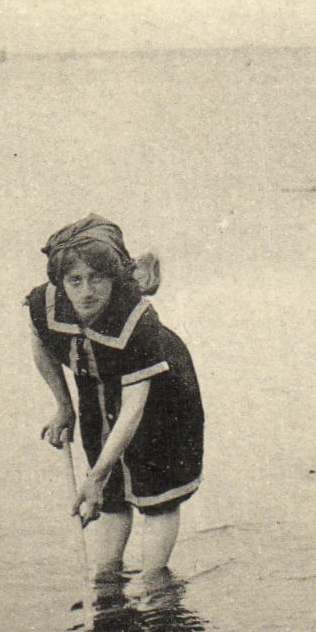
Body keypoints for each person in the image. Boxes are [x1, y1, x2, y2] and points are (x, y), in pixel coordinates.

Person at [27, 215, 203, 578]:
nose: (86, 291)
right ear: (61, 283)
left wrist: (93, 477)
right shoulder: (45, 303)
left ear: (114, 277)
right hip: (95, 379)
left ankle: (155, 583)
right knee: (108, 496)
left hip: (164, 393)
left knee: (156, 492)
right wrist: (64, 406)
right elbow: (41, 344)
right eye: (75, 281)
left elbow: (134, 409)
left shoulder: (138, 321)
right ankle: (108, 581)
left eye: (97, 278)